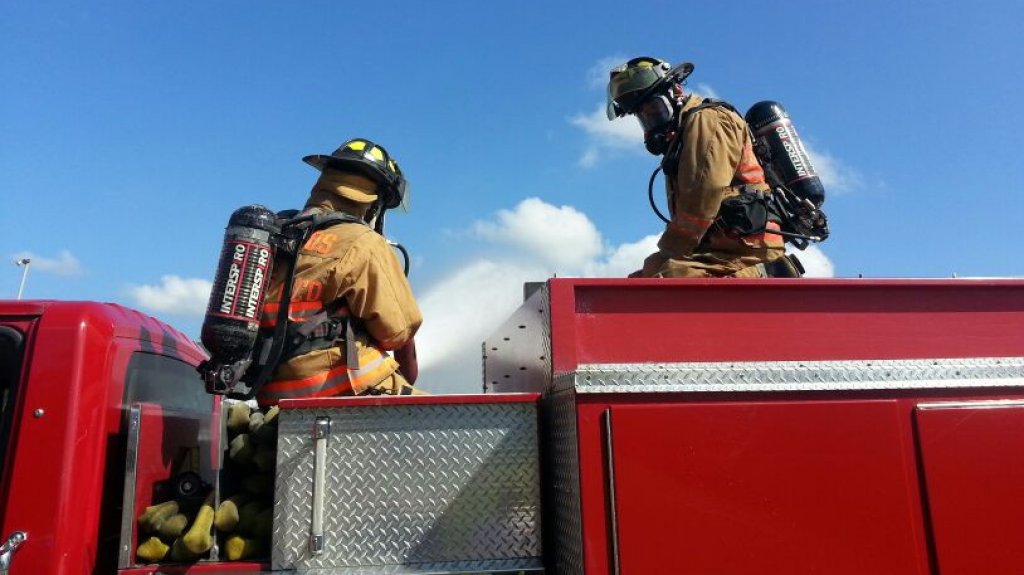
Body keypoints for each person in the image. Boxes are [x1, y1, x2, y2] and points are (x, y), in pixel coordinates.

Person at [255, 138, 423, 406]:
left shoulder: (278, 236)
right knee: (452, 421)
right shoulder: (361, 241)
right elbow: (398, 333)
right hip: (344, 394)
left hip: (272, 397)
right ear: (374, 202)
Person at [607, 57, 803, 278]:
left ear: (677, 92)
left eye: (655, 108)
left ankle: (772, 271)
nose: (652, 120)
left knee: (668, 278)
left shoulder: (708, 120)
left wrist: (670, 252)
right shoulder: (680, 141)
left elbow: (701, 198)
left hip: (748, 252)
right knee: (644, 276)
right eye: (643, 116)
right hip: (719, 251)